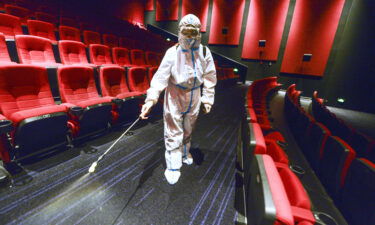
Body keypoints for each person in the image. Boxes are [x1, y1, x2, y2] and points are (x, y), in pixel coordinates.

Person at [139, 14, 217, 185]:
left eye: (192, 33)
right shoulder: (172, 52)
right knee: (173, 130)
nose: (189, 37)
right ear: (180, 32)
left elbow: (210, 76)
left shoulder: (204, 51)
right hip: (175, 94)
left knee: (189, 128)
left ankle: (184, 153)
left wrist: (207, 99)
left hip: (195, 94)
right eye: (186, 32)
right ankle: (173, 165)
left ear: (198, 33)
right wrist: (150, 101)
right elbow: (160, 78)